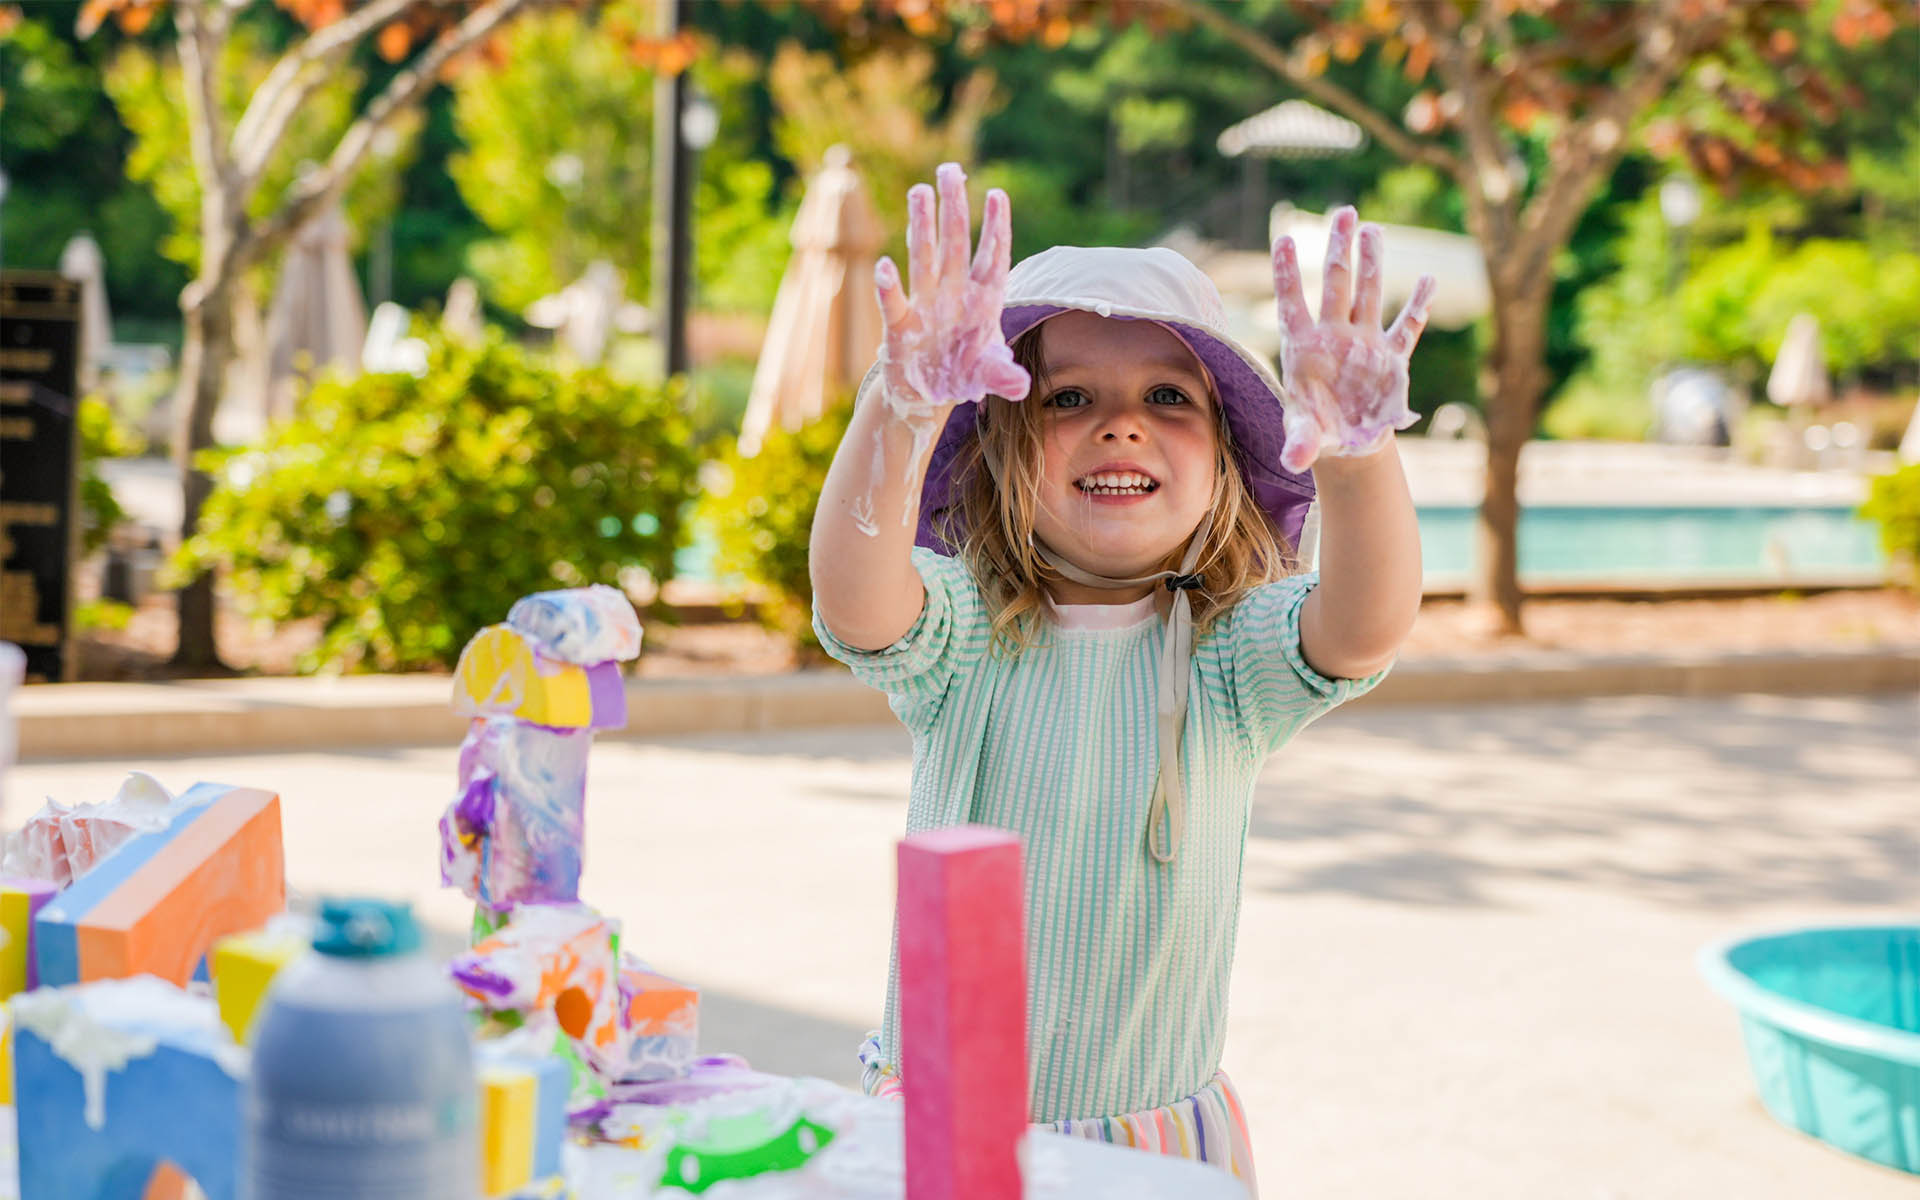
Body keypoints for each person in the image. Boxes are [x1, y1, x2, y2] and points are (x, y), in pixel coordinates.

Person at [809, 163, 1434, 1192]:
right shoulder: (964, 631)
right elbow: (854, 600)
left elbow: (1365, 628)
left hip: (1151, 1141)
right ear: (1000, 450)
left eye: (1167, 396)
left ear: (1226, 461)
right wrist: (901, 409)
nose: (1122, 422)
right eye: (1068, 396)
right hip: (945, 1118)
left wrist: (1358, 461)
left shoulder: (1231, 654)